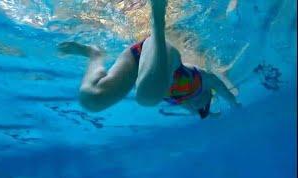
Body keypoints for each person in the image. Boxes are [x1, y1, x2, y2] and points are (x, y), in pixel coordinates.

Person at [58, 0, 241, 119]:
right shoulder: (202, 80)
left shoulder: (186, 102)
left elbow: (197, 109)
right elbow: (222, 87)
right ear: (210, 96)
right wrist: (234, 103)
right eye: (204, 108)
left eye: (200, 111)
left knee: (92, 100)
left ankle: (94, 55)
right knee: (148, 98)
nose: (198, 108)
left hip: (138, 60)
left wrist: (207, 115)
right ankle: (158, 16)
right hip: (163, 50)